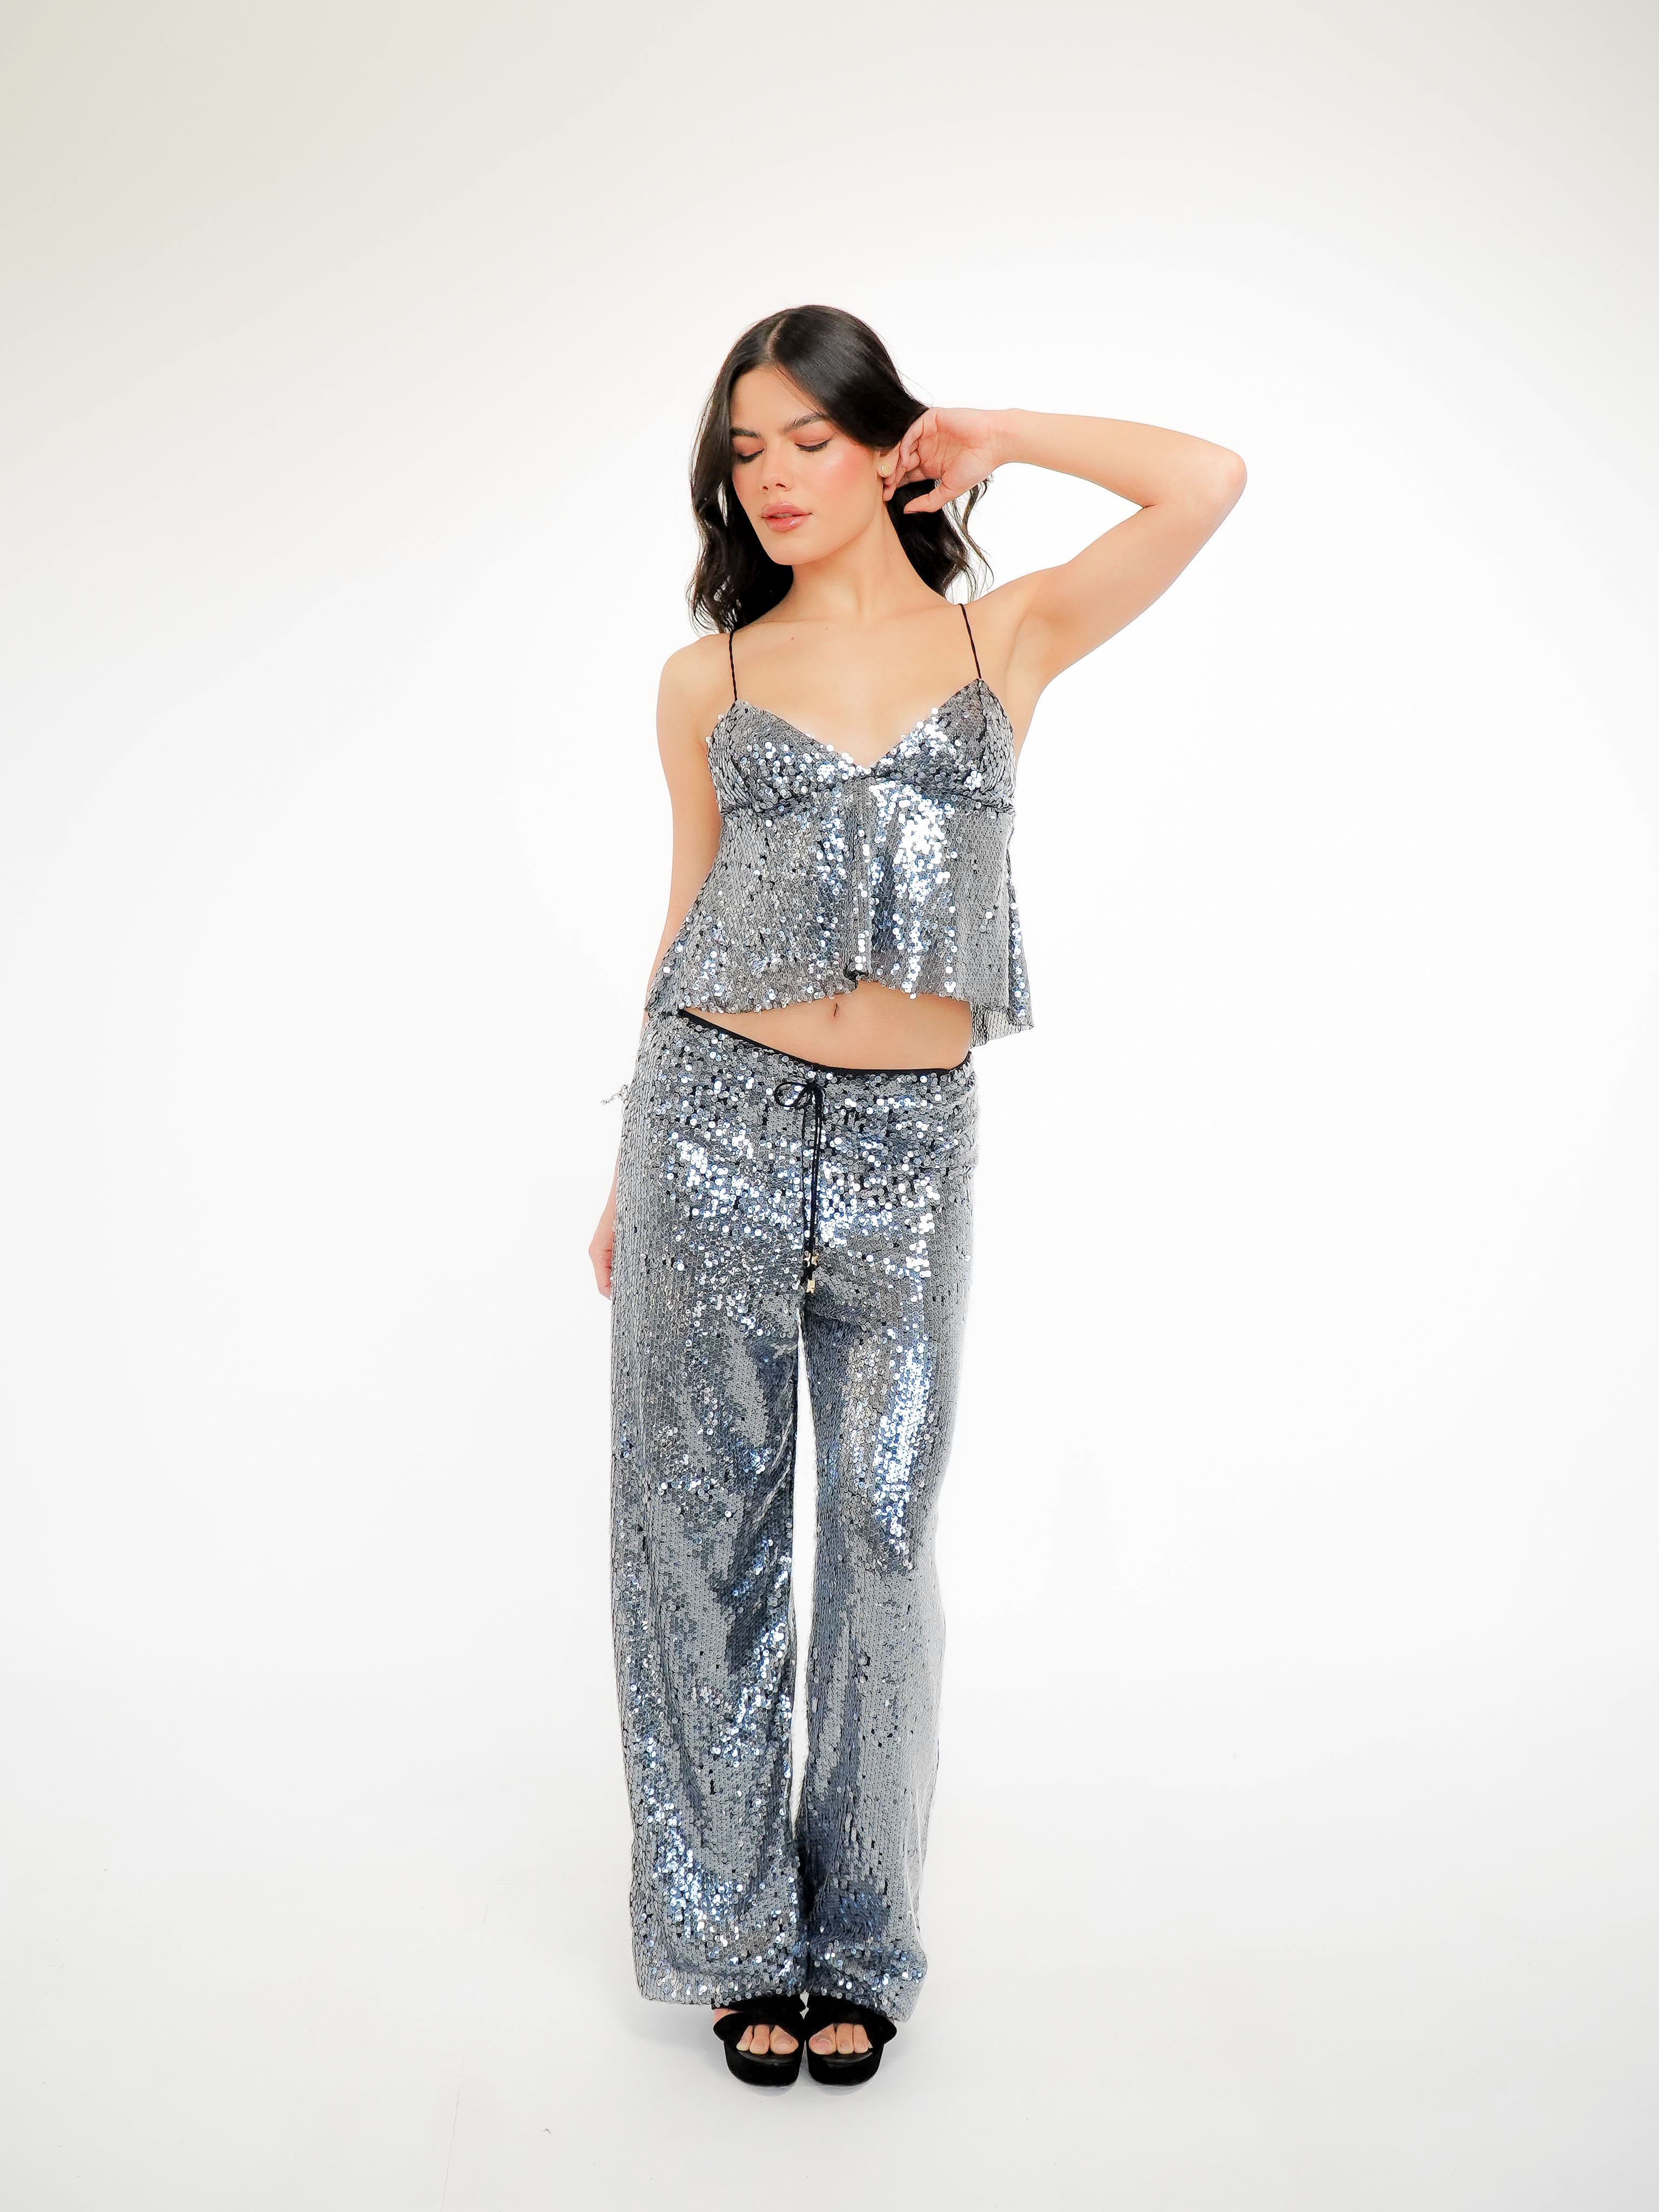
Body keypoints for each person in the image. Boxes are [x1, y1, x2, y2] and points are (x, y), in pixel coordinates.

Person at [590, 304, 1245, 2087]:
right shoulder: (708, 680)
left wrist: (1005, 428)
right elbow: (682, 918)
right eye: (746, 451)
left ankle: (860, 1943)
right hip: (710, 1121)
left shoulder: (1002, 636)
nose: (774, 478)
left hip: (909, 1145)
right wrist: (628, 1163)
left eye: (811, 439)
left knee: (880, 1541)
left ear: (890, 447)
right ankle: (734, 1937)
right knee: (701, 1538)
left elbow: (1206, 483)